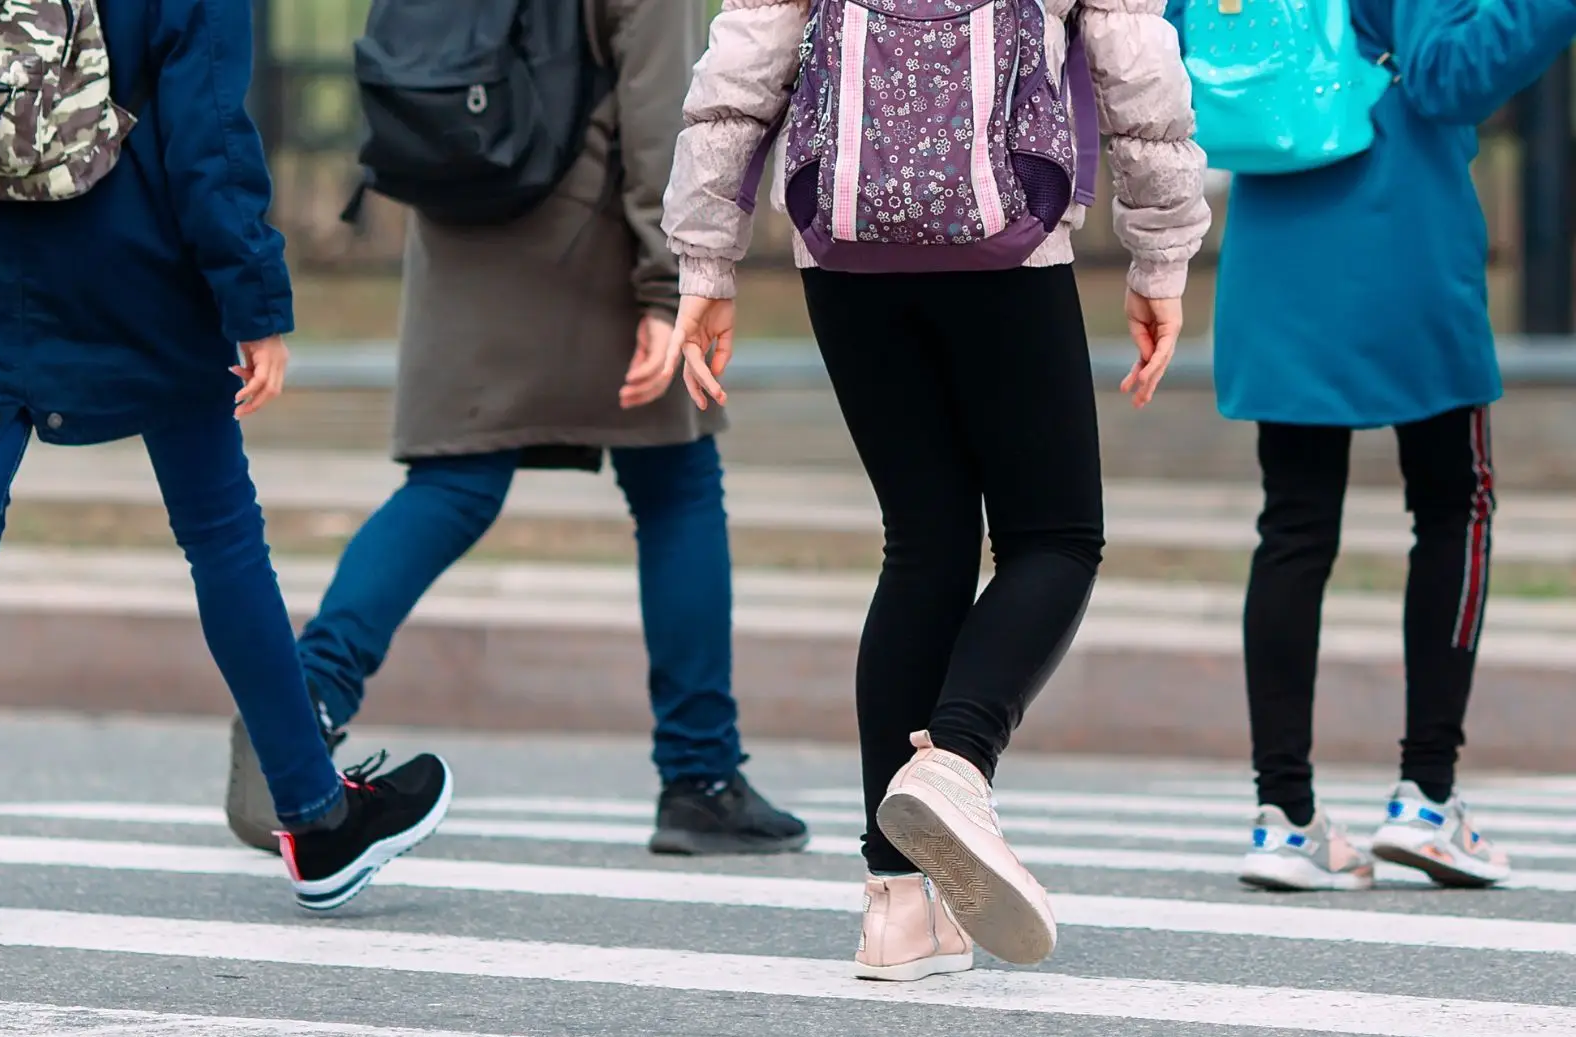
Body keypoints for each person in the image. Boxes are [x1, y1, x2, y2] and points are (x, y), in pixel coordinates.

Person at [0, 0, 452, 949]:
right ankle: (316, 818)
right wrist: (252, 296)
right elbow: (206, 132)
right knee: (219, 534)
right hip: (136, 271)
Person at [658, 0, 1209, 971]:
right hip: (1002, 236)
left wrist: (704, 259)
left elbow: (741, 63)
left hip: (847, 244)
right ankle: (957, 758)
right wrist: (1162, 250)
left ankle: (897, 911)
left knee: (923, 544)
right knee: (1057, 537)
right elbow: (1135, 61)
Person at [221, 0, 810, 860]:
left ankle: (303, 699)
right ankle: (700, 778)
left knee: (455, 480)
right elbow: (661, 105)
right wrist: (664, 282)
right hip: (590, 226)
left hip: (464, 203)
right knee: (678, 481)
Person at [1171, 0, 1576, 892]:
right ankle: (1428, 799)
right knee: (1453, 505)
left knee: (1294, 526)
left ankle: (1284, 816)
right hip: (1403, 232)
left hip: (1279, 237)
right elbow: (1446, 75)